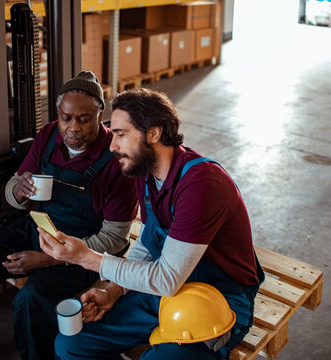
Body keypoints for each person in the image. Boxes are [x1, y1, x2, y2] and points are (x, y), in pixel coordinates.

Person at [38, 88, 265, 359]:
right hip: (165, 290)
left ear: (154, 133)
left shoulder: (202, 185)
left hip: (216, 300)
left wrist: (88, 258)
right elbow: (148, 243)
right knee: (71, 345)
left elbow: (167, 279)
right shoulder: (146, 173)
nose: (112, 145)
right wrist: (114, 290)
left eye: (121, 134)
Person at [0, 71, 138, 360]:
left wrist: (49, 258)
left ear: (99, 114)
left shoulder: (116, 160)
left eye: (83, 119)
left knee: (31, 301)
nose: (73, 128)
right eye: (66, 117)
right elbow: (13, 188)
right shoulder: (49, 135)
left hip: (84, 249)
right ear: (58, 113)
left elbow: (115, 239)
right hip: (39, 229)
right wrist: (18, 192)